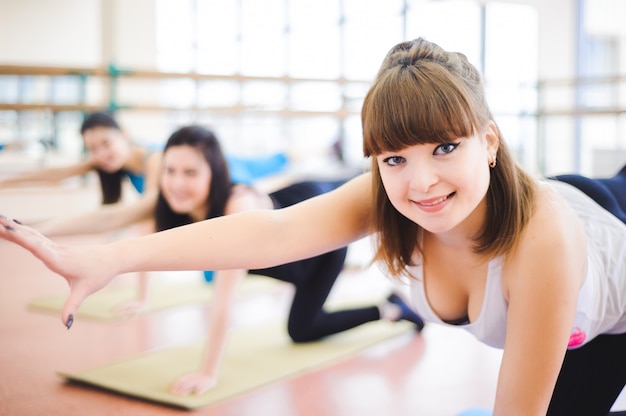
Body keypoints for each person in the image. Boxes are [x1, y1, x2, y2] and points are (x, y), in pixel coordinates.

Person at [2, 37, 625, 414]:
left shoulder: (538, 240)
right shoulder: (389, 193)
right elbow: (269, 234)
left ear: (488, 140)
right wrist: (108, 260)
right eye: (395, 157)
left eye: (444, 148)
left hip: (608, 262)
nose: (421, 182)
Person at [21, 124, 424, 395]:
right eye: (171, 171)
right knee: (302, 328)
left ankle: (390, 308)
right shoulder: (176, 201)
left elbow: (224, 301)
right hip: (285, 250)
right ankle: (388, 305)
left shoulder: (237, 205)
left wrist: (209, 372)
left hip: (318, 245)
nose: (177, 183)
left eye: (190, 173)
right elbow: (109, 217)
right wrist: (32, 230)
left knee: (302, 330)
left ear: (214, 172)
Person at [0, 111, 163, 204]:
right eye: (92, 149)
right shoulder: (109, 160)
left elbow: (147, 210)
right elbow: (56, 174)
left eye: (106, 143)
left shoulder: (154, 158)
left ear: (124, 135)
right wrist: (6, 183)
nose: (101, 155)